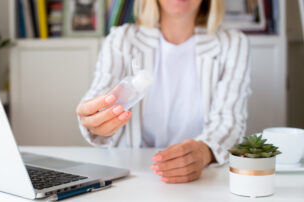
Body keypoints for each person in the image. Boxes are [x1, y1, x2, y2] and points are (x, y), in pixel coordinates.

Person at [76, 0, 250, 183]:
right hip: (132, 177)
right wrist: (94, 118)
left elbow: (229, 121)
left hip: (204, 179)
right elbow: (99, 93)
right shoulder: (121, 39)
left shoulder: (234, 43)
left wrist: (204, 151)